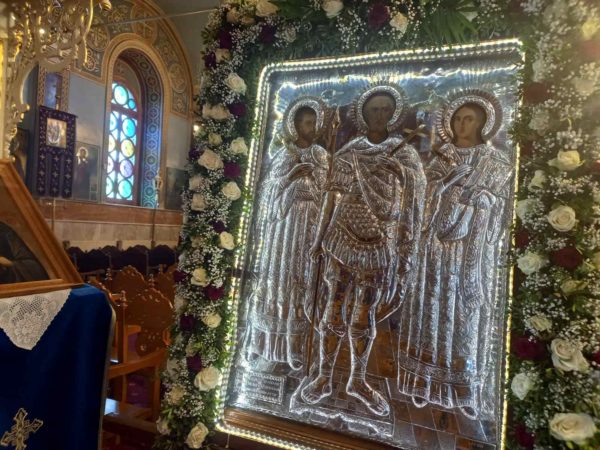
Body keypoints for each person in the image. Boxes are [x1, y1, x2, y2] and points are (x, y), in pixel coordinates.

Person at [300, 86, 426, 416]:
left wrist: (400, 174)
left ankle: (357, 380)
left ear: (394, 114)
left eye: (385, 110)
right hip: (342, 238)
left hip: (378, 243)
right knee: (333, 308)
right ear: (364, 114)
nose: (379, 115)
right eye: (373, 110)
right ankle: (323, 377)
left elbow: (415, 195)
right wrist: (318, 240)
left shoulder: (405, 155)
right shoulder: (350, 151)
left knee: (363, 314)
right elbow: (331, 197)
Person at [396, 94, 513, 419]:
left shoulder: (496, 164)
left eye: (469, 119)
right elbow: (422, 202)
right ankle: (423, 383)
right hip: (435, 251)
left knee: (465, 315)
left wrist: (485, 200)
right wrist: (445, 187)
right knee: (430, 311)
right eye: (458, 119)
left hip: (470, 253)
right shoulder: (440, 159)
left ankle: (466, 389)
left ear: (484, 123)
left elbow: (502, 212)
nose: (462, 125)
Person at [244, 97, 329, 371]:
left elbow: (328, 192)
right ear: (295, 125)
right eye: (305, 123)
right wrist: (291, 176)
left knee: (300, 282)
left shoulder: (320, 155)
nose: (310, 127)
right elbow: (267, 193)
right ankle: (265, 344)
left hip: (307, 228)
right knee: (276, 281)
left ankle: (295, 346)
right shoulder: (284, 154)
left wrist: (312, 182)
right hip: (281, 231)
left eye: (314, 122)